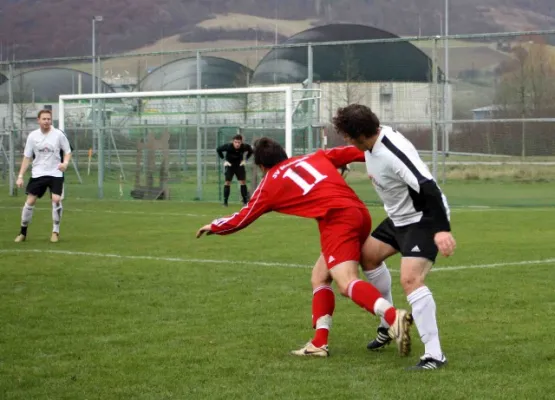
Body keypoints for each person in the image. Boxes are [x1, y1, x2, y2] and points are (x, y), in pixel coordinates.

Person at [197, 137, 413, 358]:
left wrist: (215, 226)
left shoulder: (269, 182)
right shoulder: (314, 156)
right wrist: (378, 155)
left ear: (262, 166)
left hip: (337, 221)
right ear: (283, 154)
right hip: (358, 211)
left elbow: (245, 216)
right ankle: (319, 343)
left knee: (346, 282)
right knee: (319, 277)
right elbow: (350, 152)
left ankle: (392, 317)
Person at [330, 104, 456, 370]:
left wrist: (442, 228)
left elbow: (428, 187)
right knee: (368, 258)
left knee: (411, 280)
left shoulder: (393, 152)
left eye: (347, 135)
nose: (345, 140)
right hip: (399, 220)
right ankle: (388, 324)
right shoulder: (372, 145)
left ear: (360, 135)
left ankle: (434, 355)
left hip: (423, 219)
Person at [14, 109, 72, 243]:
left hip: (55, 173)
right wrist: (21, 176)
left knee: (56, 199)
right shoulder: (32, 136)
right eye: (44, 119)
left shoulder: (58, 135)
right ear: (38, 120)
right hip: (38, 173)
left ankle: (55, 232)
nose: (46, 121)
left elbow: (68, 151)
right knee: (30, 201)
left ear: (51, 120)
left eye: (49, 119)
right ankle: (23, 232)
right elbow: (27, 157)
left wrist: (65, 163)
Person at [216, 134, 253, 206]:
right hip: (230, 165)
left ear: (241, 142)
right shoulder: (228, 146)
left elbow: (251, 151)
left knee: (242, 182)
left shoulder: (244, 146)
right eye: (235, 142)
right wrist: (224, 160)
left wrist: (245, 160)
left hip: (239, 165)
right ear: (233, 142)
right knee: (227, 182)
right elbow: (218, 149)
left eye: (239, 142)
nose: (237, 144)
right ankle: (225, 203)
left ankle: (245, 202)